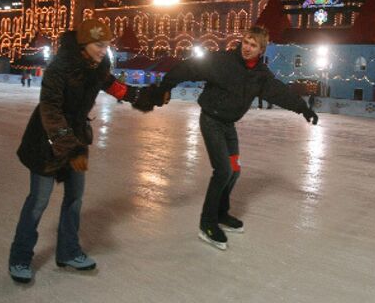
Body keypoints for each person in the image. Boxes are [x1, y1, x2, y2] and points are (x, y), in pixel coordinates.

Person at [134, 26, 318, 251]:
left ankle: (221, 214)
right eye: (246, 42)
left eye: (253, 45)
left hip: (228, 124)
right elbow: (190, 67)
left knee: (234, 170)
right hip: (211, 120)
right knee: (222, 171)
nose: (247, 48)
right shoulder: (222, 61)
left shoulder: (260, 75)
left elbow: (280, 92)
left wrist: (303, 109)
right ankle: (207, 223)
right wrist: (166, 85)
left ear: (261, 49)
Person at [8, 20, 141, 284]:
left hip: (76, 139)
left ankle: (68, 252)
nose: (105, 50)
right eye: (99, 45)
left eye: (107, 45)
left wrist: (146, 97)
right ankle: (20, 257)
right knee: (39, 200)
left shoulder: (98, 68)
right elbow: (50, 111)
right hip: (46, 141)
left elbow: (116, 87)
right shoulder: (60, 68)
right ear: (84, 44)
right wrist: (70, 149)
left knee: (75, 198)